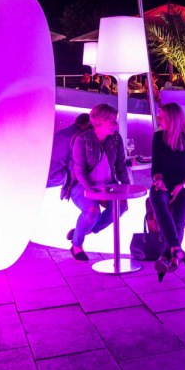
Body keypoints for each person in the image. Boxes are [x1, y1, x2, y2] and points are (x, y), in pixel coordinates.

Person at [63, 104, 131, 261]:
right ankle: (76, 245)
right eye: (112, 121)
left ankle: (84, 230)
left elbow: (121, 167)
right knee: (93, 211)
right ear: (99, 121)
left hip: (108, 184)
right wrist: (93, 191)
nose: (115, 125)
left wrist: (126, 188)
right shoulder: (81, 140)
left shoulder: (116, 138)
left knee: (121, 207)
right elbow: (79, 172)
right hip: (82, 185)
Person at [150, 102, 185, 281]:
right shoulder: (158, 137)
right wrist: (158, 180)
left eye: (162, 117)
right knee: (157, 198)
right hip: (165, 183)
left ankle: (167, 256)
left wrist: (182, 185)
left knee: (178, 220)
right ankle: (176, 250)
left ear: (173, 119)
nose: (159, 120)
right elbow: (156, 166)